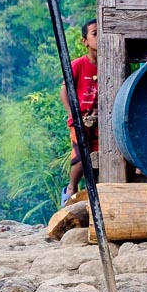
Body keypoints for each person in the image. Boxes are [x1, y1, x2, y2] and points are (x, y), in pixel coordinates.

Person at [61, 19, 98, 206]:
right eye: (94, 34)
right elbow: (64, 91)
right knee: (80, 158)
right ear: (84, 41)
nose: (99, 38)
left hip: (100, 121)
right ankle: (70, 190)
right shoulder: (78, 65)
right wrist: (72, 115)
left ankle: (96, 200)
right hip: (80, 120)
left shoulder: (110, 63)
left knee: (99, 158)